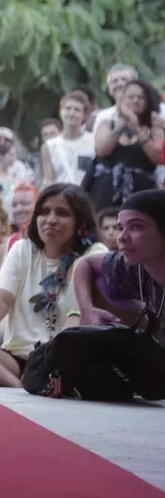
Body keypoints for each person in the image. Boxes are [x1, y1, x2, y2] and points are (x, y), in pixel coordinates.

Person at [0, 184, 105, 386]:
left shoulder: (95, 253)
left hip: (63, 361)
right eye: (44, 212)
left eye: (62, 213)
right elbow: (2, 297)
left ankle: (24, 384)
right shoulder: (23, 249)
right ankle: (21, 387)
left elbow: (78, 316)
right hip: (15, 361)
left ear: (80, 221)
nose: (50, 219)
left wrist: (48, 364)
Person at [71, 190, 165, 347]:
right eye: (121, 227)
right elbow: (84, 264)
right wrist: (87, 309)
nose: (121, 237)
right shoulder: (137, 267)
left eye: (136, 227)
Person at [87, 78, 163, 211]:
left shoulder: (155, 128)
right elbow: (102, 151)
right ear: (122, 100)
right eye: (131, 97)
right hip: (106, 192)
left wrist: (136, 128)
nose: (135, 100)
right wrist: (122, 124)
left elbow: (158, 158)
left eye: (141, 97)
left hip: (141, 193)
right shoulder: (106, 124)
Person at [40, 92, 94, 187]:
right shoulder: (49, 146)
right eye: (68, 108)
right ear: (61, 112)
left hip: (86, 197)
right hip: (61, 198)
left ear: (84, 115)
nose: (71, 113)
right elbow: (49, 181)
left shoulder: (93, 141)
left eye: (77, 110)